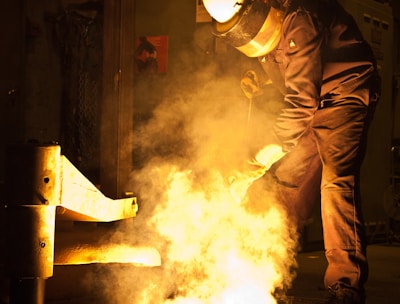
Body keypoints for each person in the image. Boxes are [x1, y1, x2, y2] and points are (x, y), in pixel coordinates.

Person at [202, 0, 381, 303]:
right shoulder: (271, 23)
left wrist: (253, 163)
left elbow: (299, 106)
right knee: (290, 179)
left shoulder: (299, 17)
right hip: (313, 99)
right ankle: (266, 263)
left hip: (345, 92)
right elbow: (287, 66)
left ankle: (345, 286)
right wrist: (257, 76)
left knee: (336, 182)